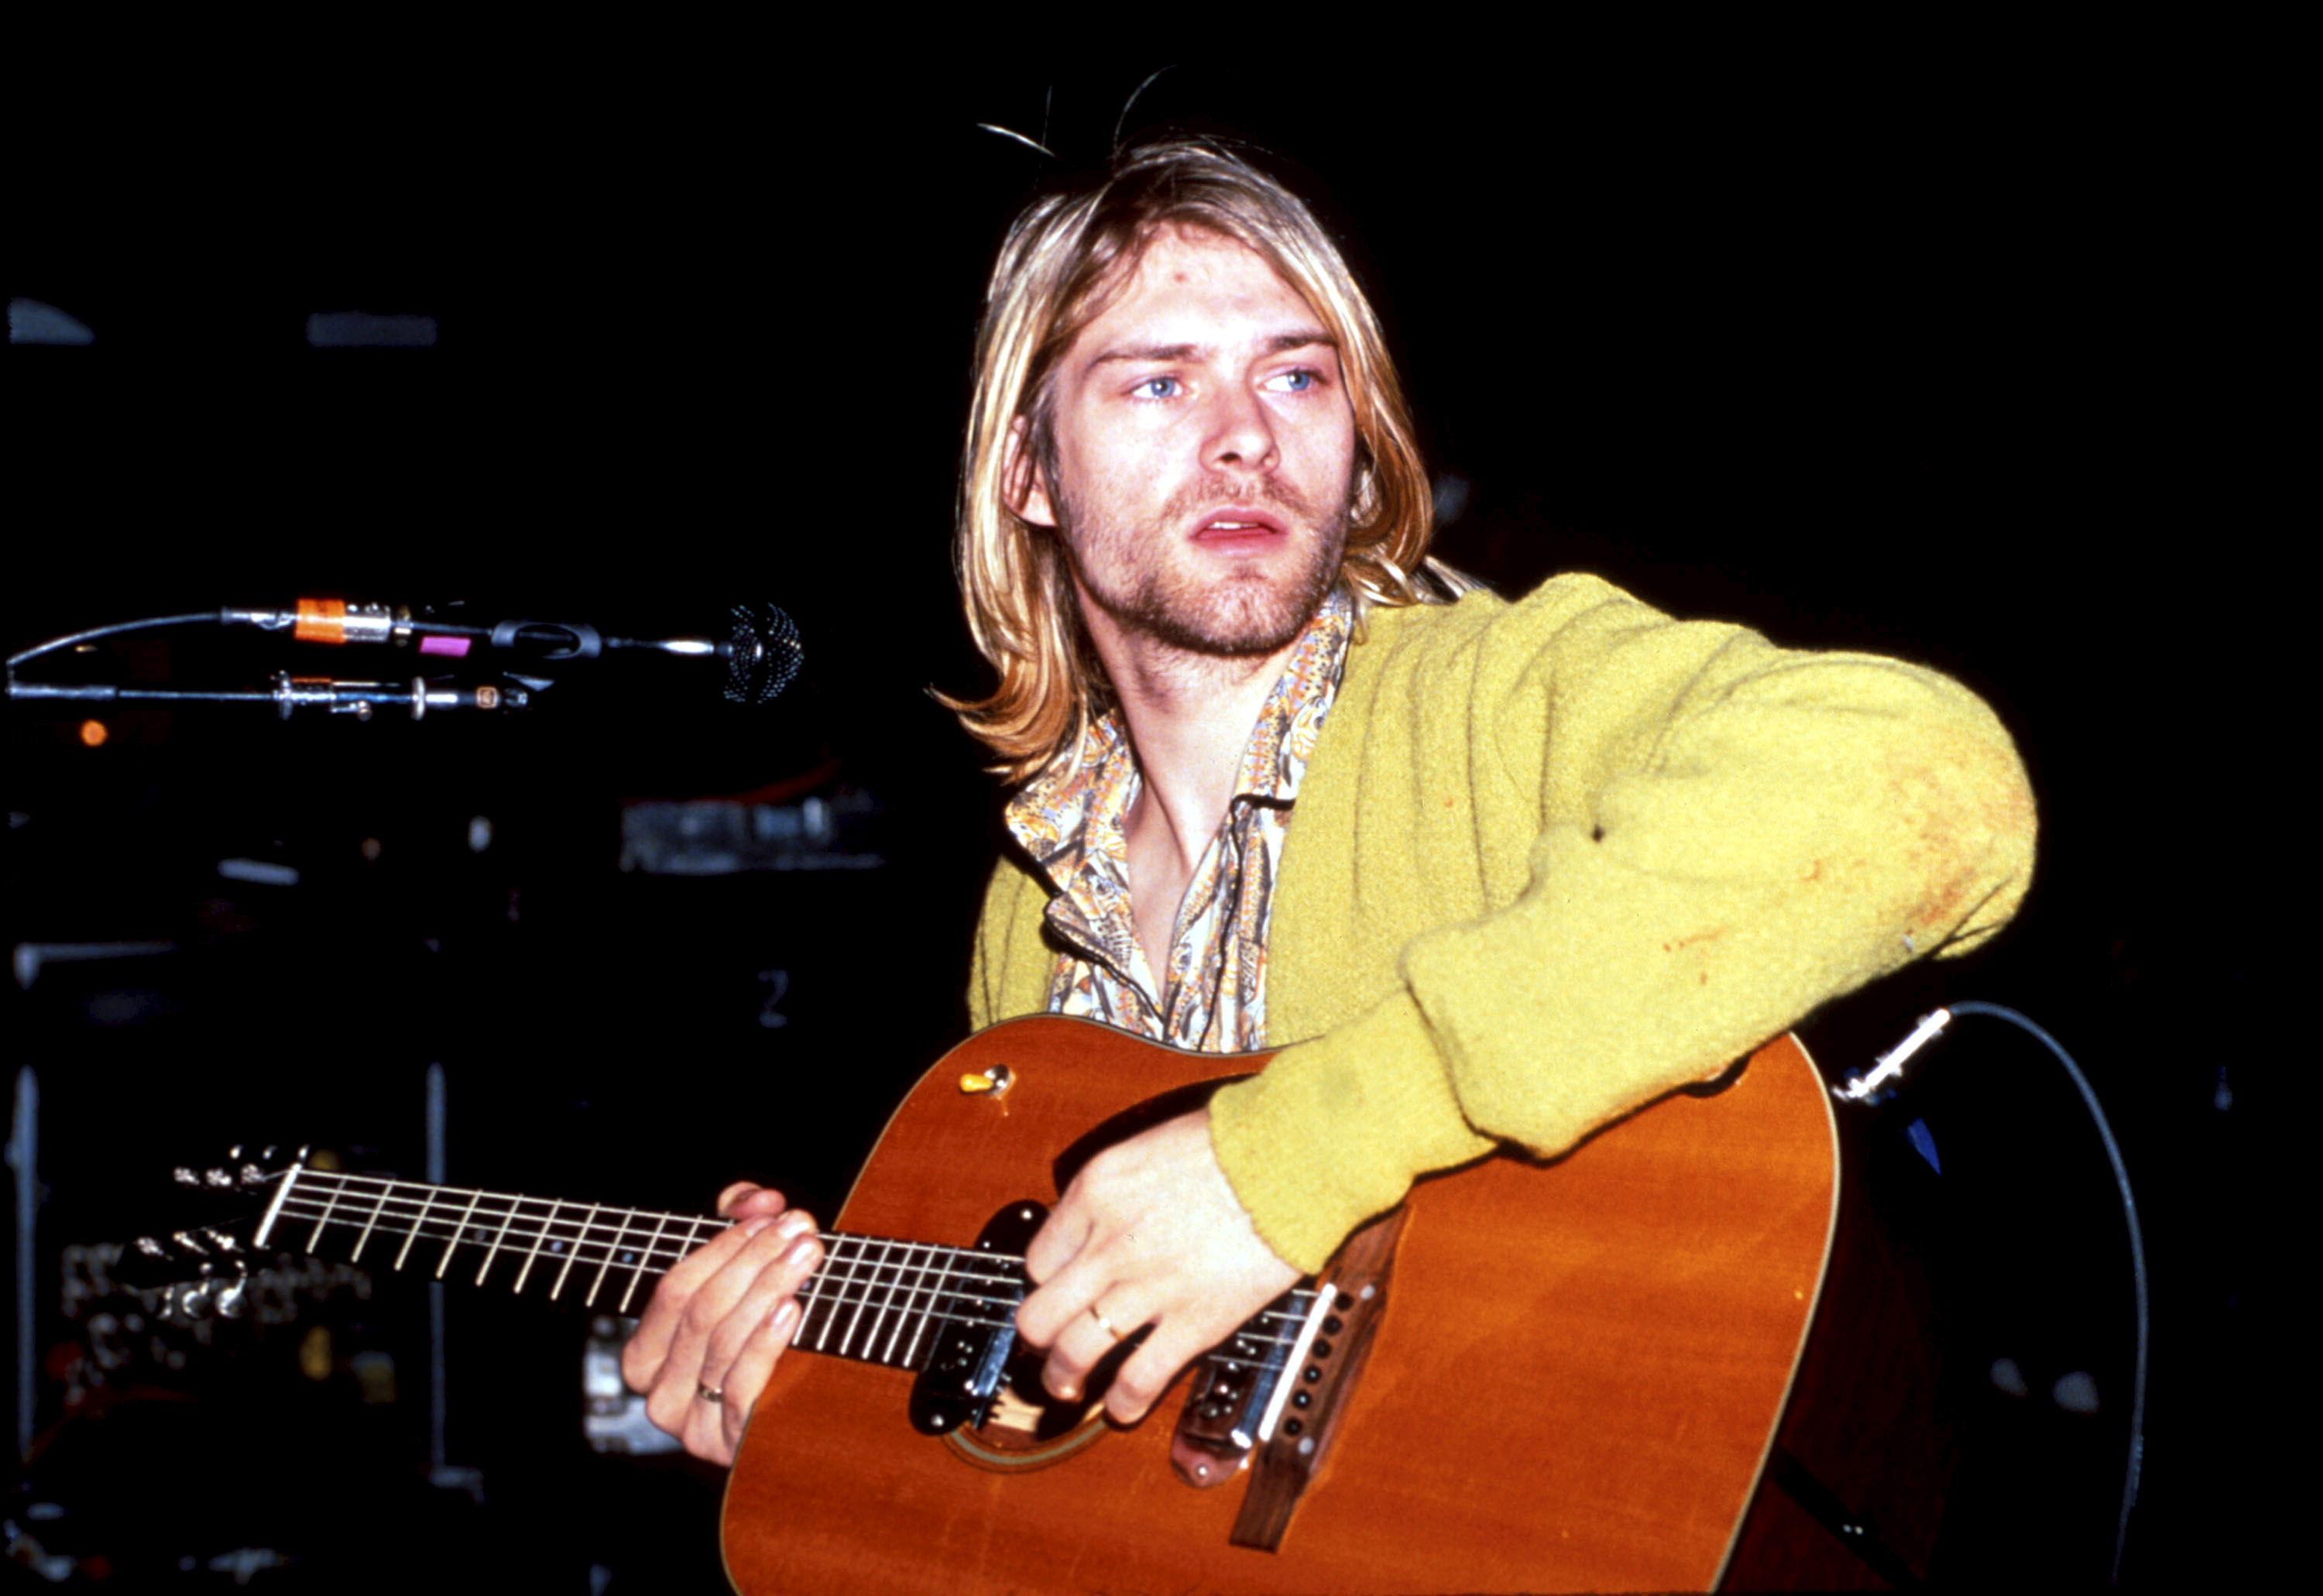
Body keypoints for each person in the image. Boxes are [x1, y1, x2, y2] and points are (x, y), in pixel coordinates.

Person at [623, 135, 2036, 1466]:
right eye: (1159, 383)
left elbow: (1929, 779)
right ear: (1027, 472)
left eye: (1298, 378)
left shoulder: (1493, 695)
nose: (1246, 436)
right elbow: (1113, 1444)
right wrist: (830, 1424)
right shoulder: (1030, 911)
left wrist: (1277, 1164)